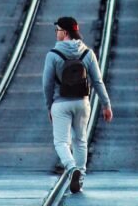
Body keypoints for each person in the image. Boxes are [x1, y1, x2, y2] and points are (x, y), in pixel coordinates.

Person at [43, 16, 113, 193]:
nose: (56, 33)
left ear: (65, 32)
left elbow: (47, 84)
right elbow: (97, 81)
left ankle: (71, 167)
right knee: (80, 140)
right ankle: (80, 177)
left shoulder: (53, 55)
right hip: (82, 102)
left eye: (57, 30)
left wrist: (49, 105)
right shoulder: (87, 53)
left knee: (61, 142)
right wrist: (106, 104)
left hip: (61, 103)